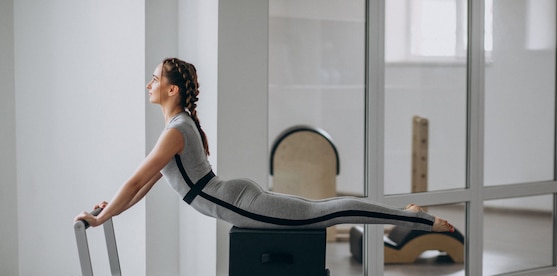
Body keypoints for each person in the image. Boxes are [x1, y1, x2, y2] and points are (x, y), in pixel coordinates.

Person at [75, 58, 454, 233]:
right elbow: (142, 185)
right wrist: (109, 212)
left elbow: (132, 179)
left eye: (154, 78)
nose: (148, 84)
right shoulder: (179, 126)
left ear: (170, 89)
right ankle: (411, 214)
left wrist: (100, 218)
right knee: (325, 210)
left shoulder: (175, 130)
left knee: (329, 213)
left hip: (242, 205)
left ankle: (416, 218)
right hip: (239, 199)